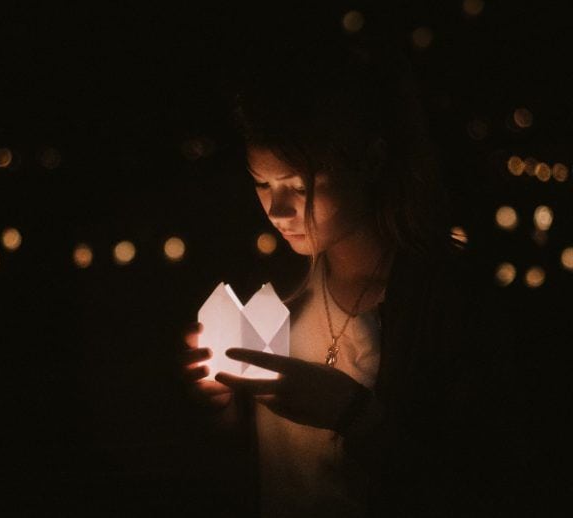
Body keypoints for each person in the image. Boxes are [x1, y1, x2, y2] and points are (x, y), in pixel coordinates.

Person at [180, 37, 527, 517]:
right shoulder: (272, 292)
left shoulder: (444, 301)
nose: (278, 211)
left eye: (300, 185)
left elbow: (482, 480)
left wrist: (354, 416)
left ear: (370, 161)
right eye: (262, 183)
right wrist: (219, 402)